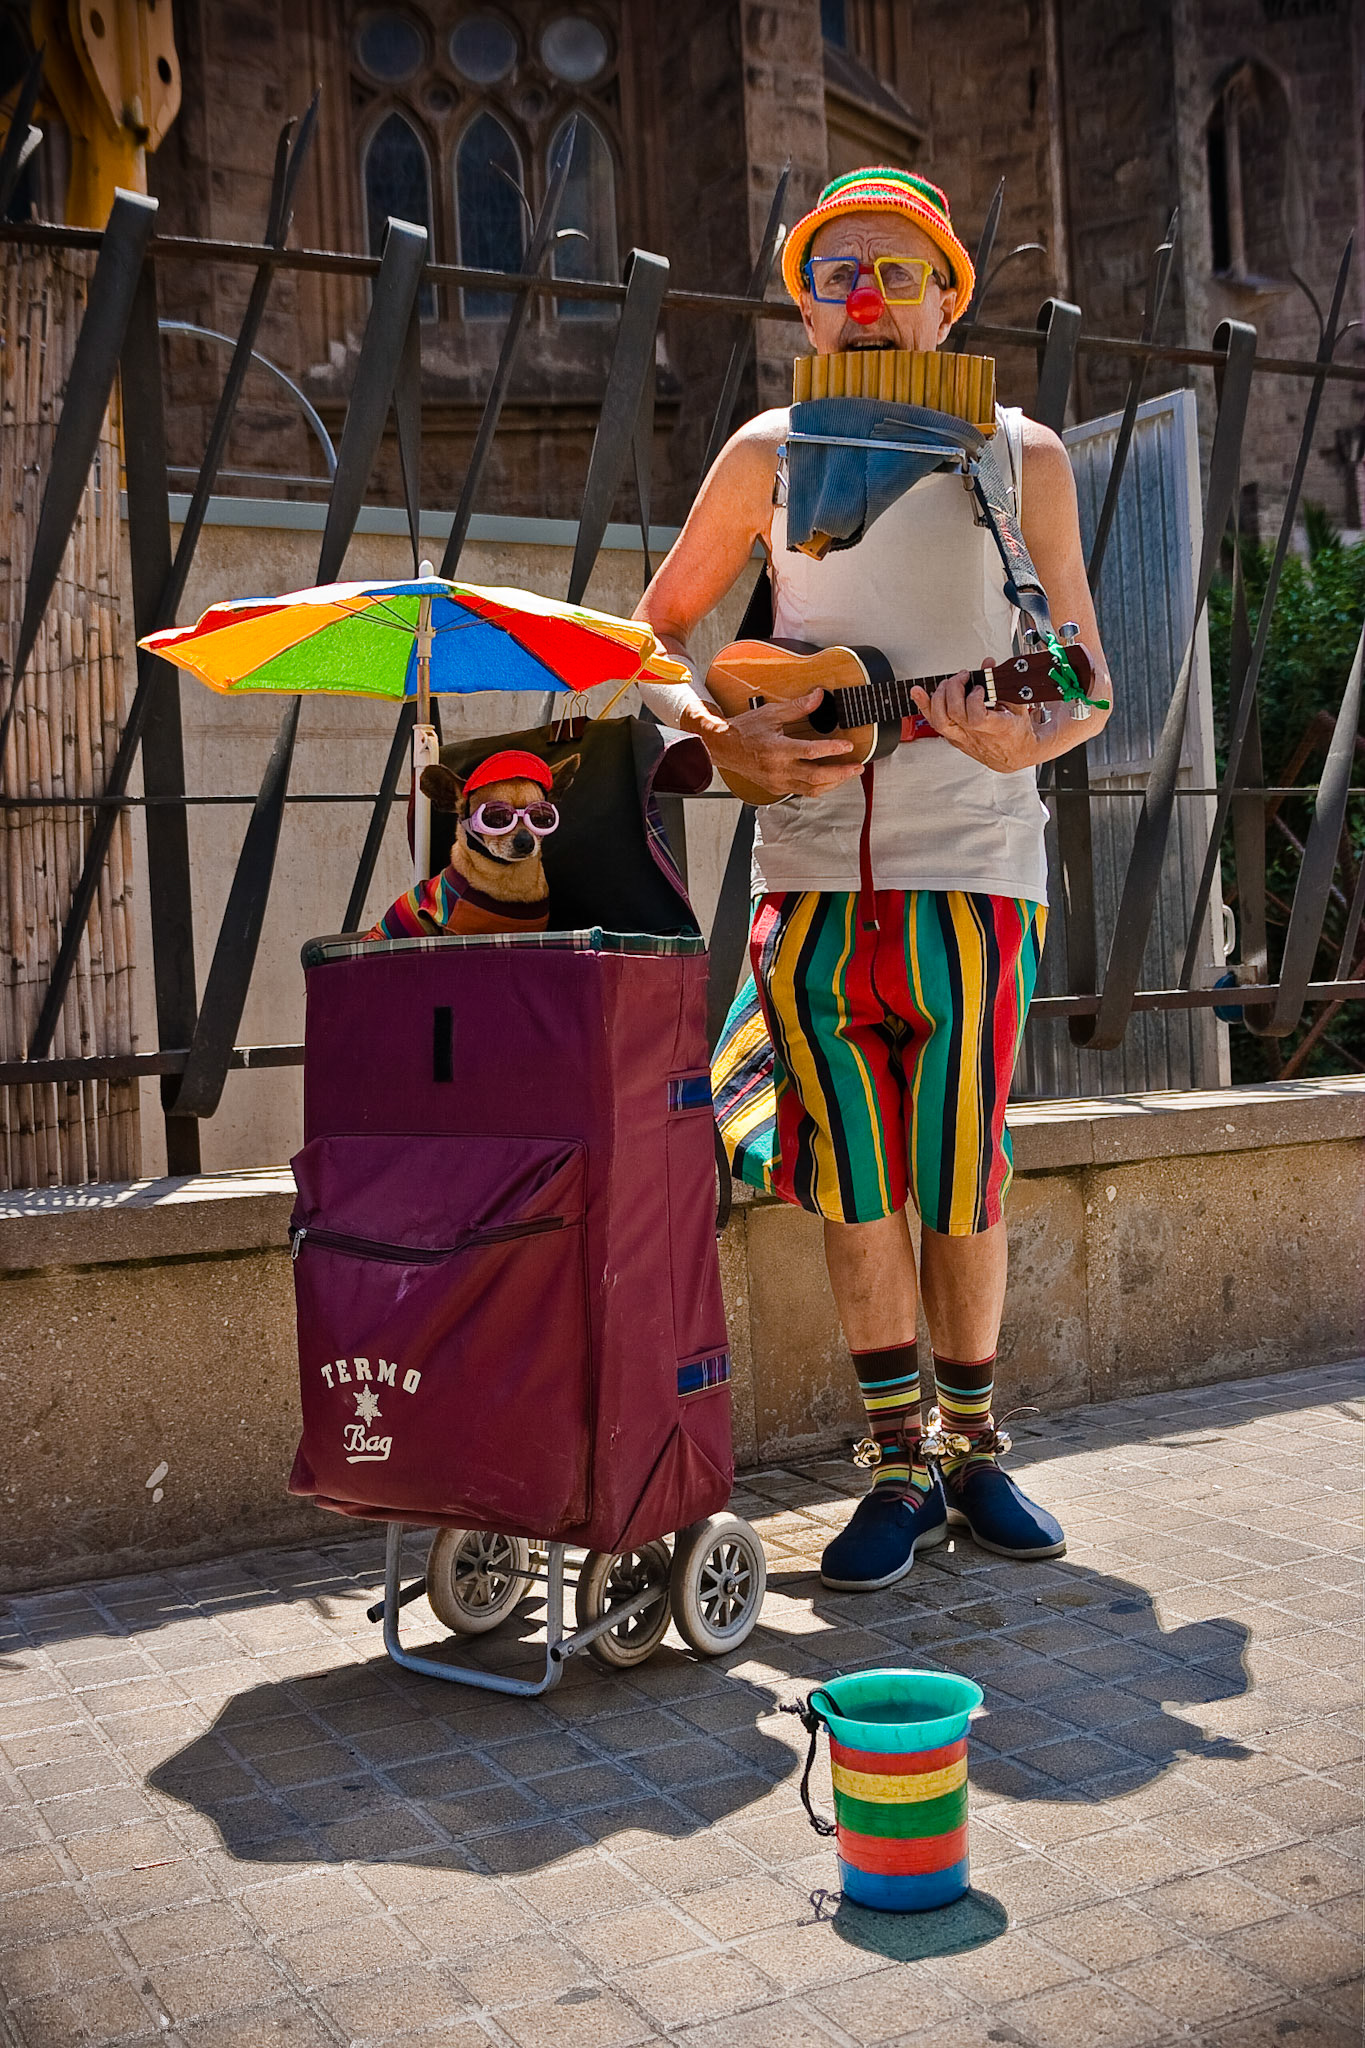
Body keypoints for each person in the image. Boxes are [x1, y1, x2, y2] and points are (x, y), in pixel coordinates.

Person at [634, 167, 1113, 1593]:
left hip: (973, 871)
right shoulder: (767, 449)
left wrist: (1019, 723)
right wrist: (716, 735)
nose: (865, 296)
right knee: (848, 1174)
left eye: (895, 273)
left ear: (947, 297)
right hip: (810, 878)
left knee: (961, 1173)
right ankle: (895, 1460)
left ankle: (974, 1449)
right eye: (836, 271)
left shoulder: (1016, 452)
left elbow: (1074, 668)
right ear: (802, 298)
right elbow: (651, 637)